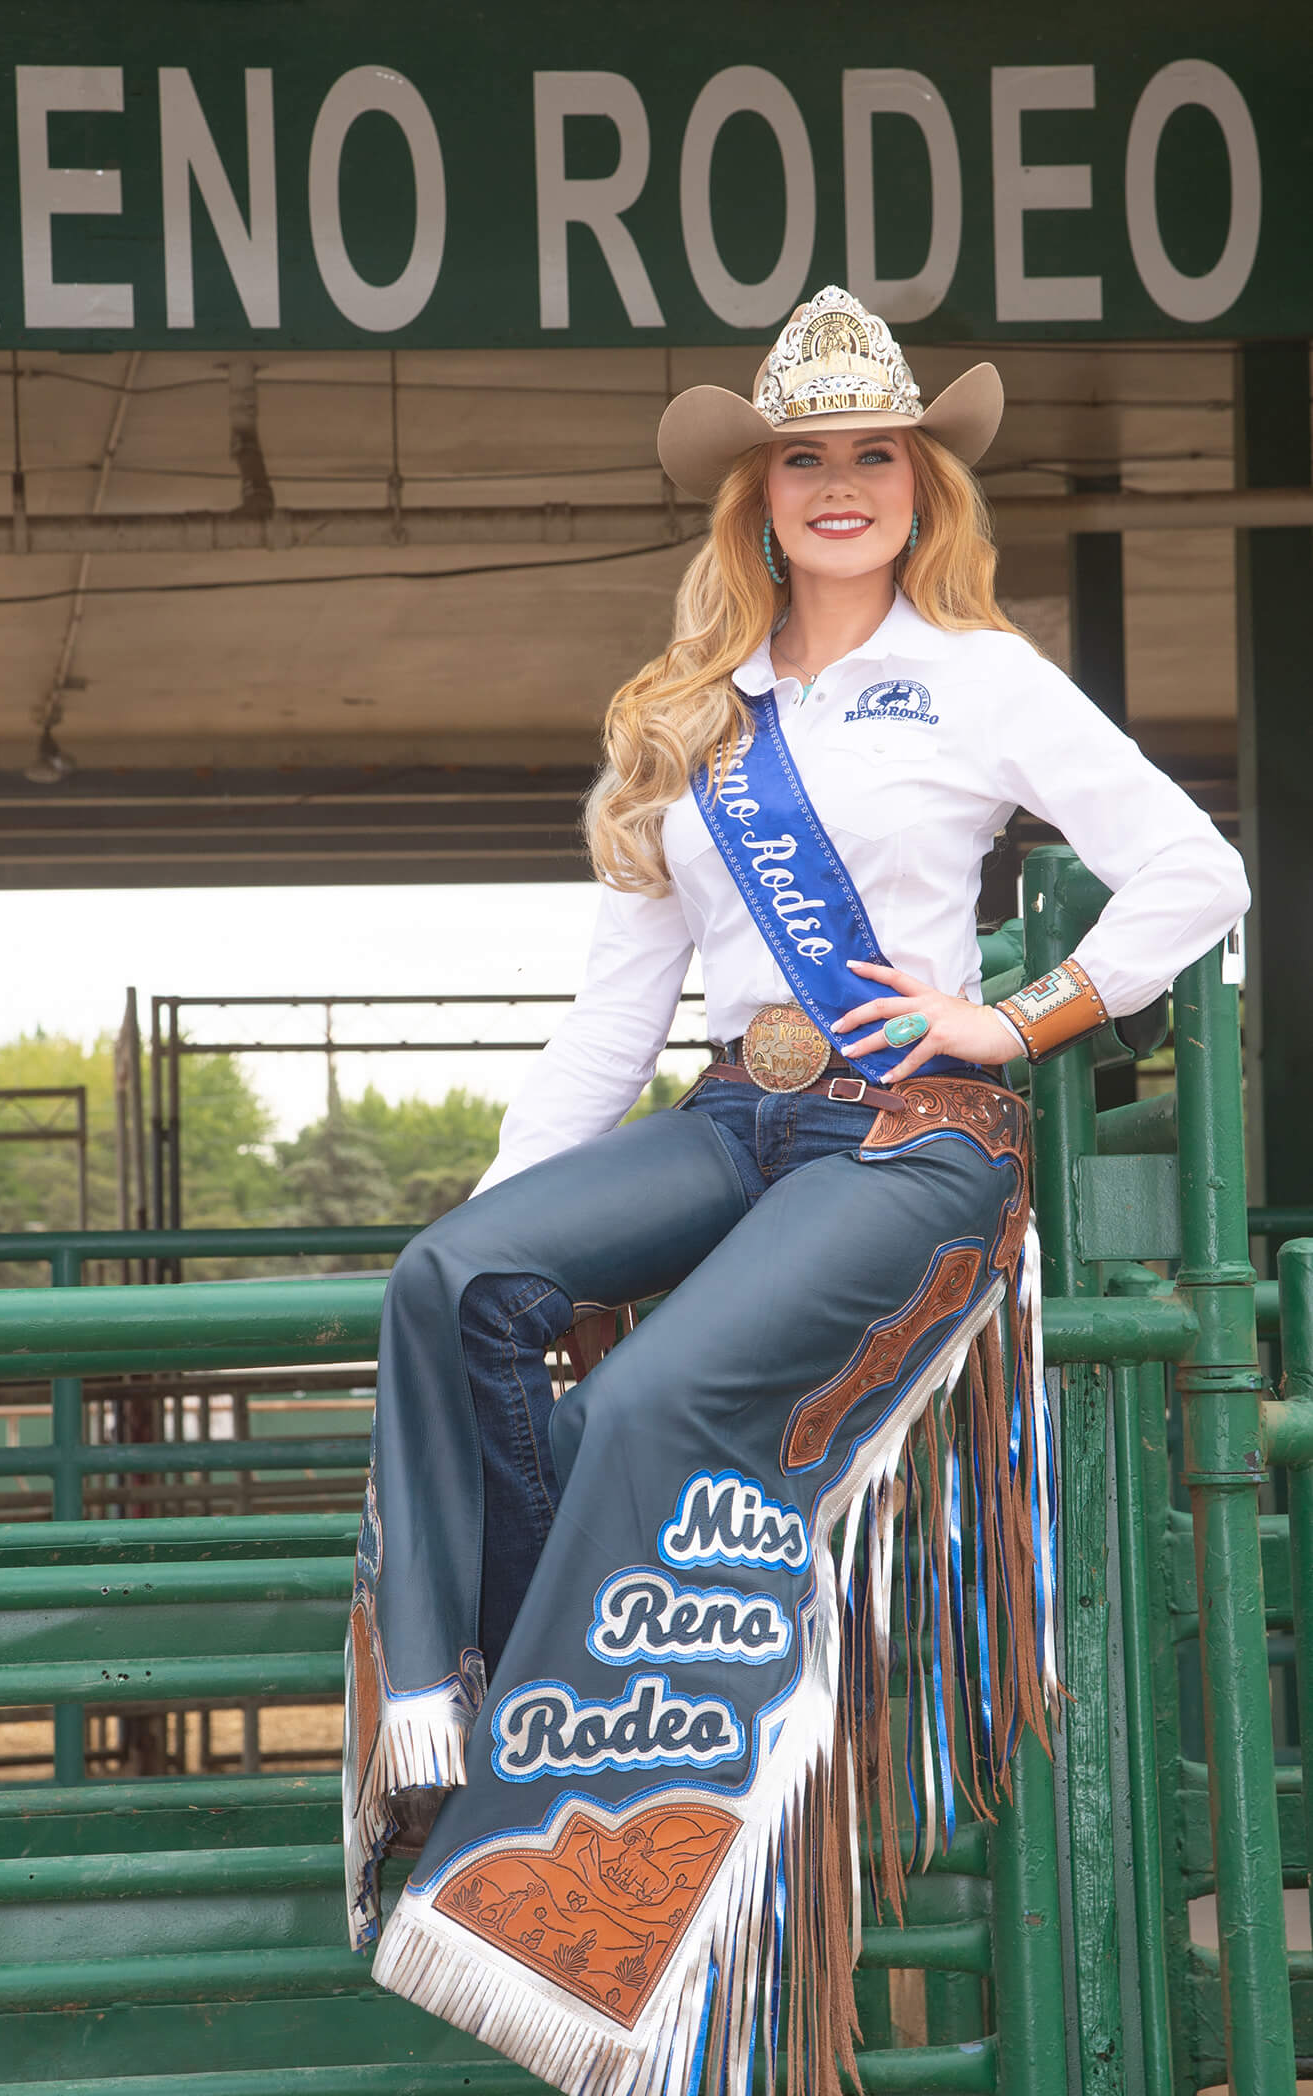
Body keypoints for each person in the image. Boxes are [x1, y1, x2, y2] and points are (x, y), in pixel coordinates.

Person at [343, 285, 1249, 2096]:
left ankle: (578, 1836)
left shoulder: (985, 677)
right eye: (805, 456)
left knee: (662, 1399)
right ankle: (498, 1711)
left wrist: (1019, 1017)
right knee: (452, 1286)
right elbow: (613, 1021)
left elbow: (1198, 873)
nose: (840, 483)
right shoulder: (685, 715)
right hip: (736, 1111)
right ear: (756, 492)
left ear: (922, 483)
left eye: (874, 454)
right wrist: (516, 1219)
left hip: (916, 1137)